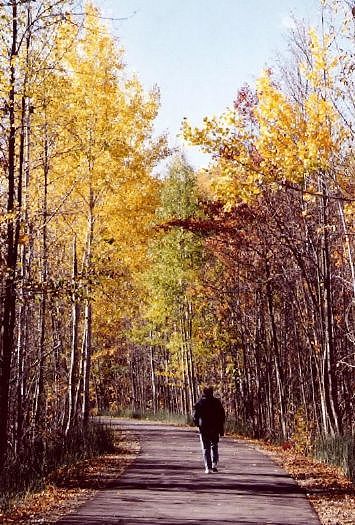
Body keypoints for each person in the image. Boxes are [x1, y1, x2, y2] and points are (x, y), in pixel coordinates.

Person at [193, 386, 225, 474]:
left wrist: (197, 424)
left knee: (206, 448)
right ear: (212, 392)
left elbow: (195, 416)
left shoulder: (200, 403)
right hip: (215, 428)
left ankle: (208, 467)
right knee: (214, 445)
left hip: (204, 428)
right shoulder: (217, 402)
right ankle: (214, 463)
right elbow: (222, 416)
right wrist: (221, 428)